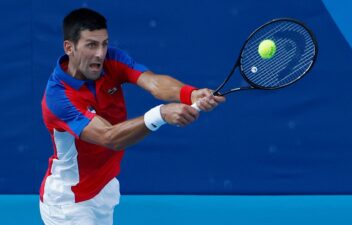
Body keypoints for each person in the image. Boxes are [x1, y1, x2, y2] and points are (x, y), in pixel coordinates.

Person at [39, 7, 225, 225]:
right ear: (69, 47)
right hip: (69, 201)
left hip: (104, 188)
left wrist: (190, 93)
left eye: (104, 43)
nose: (100, 53)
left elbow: (153, 83)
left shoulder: (112, 60)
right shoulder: (58, 97)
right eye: (91, 45)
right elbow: (109, 138)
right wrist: (161, 113)